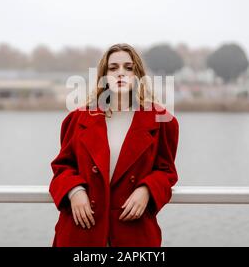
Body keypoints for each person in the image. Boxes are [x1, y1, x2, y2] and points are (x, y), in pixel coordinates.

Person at [49, 43, 179, 247]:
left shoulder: (163, 122)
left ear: (138, 75)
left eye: (129, 67)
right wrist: (74, 191)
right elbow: (62, 167)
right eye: (113, 68)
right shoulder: (77, 119)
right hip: (81, 231)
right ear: (103, 75)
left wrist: (147, 189)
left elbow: (166, 171)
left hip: (134, 232)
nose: (121, 73)